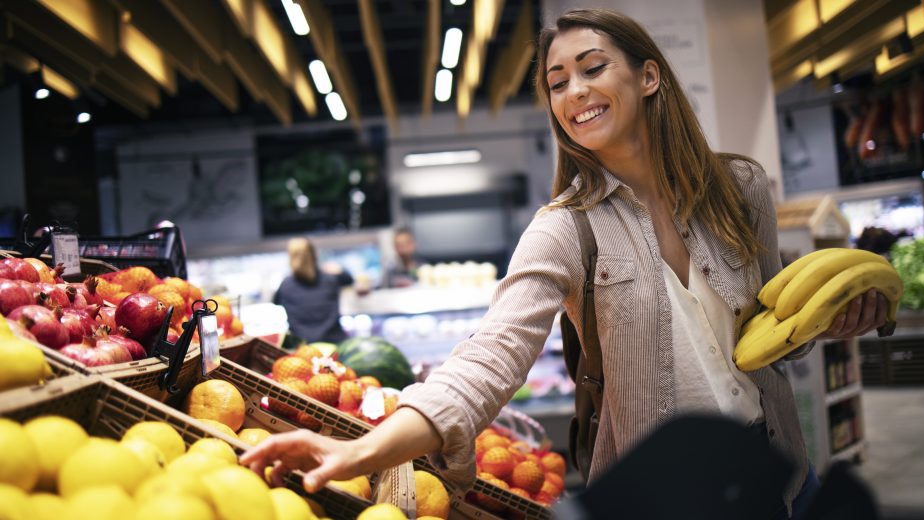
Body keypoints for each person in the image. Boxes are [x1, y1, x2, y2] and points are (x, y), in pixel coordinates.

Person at [242, 9, 889, 519]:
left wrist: (832, 321)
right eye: (557, 82)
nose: (573, 91)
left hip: (772, 470)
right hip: (652, 495)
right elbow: (490, 355)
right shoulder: (566, 229)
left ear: (648, 76)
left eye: (591, 68)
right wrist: (363, 447)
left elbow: (772, 336)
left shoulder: (741, 189)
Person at [272, 237, 353, 344]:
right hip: (335, 343)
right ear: (314, 255)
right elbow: (349, 280)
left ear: (291, 258)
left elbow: (275, 301)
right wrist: (339, 269)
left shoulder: (286, 285)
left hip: (303, 347)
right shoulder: (330, 279)